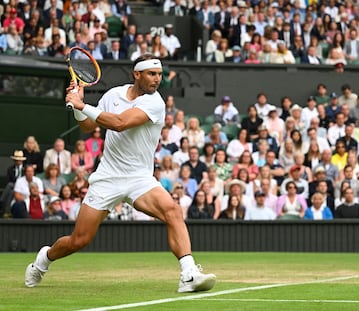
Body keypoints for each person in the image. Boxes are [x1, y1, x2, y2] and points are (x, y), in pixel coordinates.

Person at [25, 55, 216, 293]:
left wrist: (82, 105)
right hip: (107, 178)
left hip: (140, 179)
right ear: (137, 74)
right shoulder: (113, 95)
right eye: (151, 74)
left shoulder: (155, 102)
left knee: (172, 210)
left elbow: (119, 123)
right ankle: (44, 259)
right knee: (79, 240)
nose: (157, 79)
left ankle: (188, 274)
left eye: (159, 74)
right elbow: (87, 126)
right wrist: (77, 107)